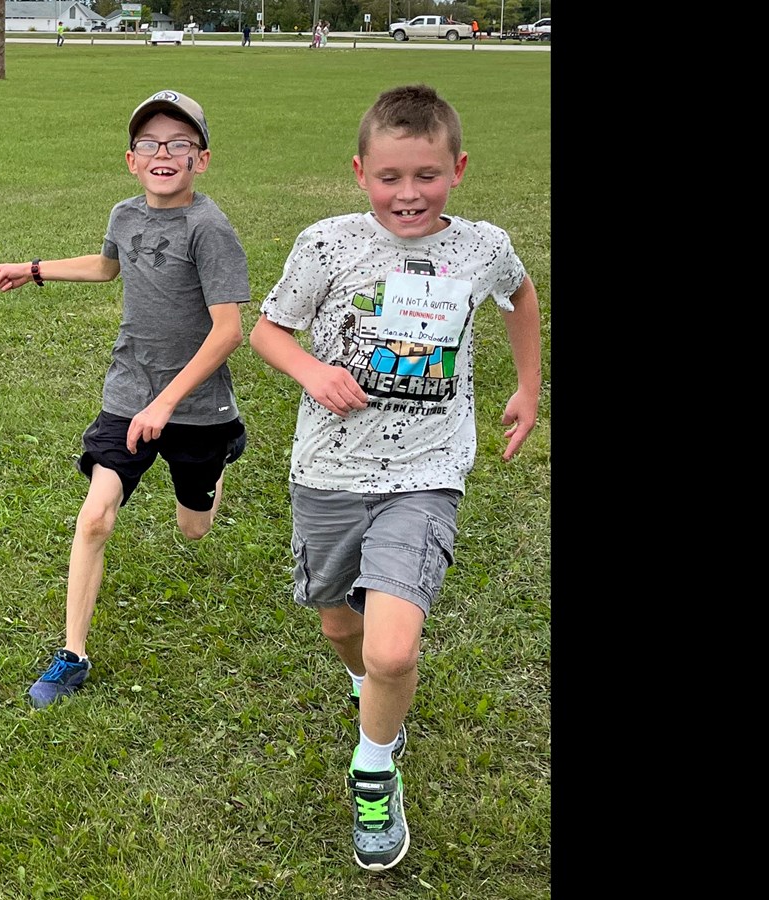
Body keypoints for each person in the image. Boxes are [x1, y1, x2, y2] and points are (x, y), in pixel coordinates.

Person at [248, 84, 541, 873]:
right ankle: (368, 694)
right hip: (330, 474)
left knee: (392, 649)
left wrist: (528, 384)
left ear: (458, 168)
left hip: (427, 472)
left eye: (426, 175)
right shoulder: (326, 246)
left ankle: (373, 771)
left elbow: (519, 294)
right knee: (342, 627)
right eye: (389, 178)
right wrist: (312, 370)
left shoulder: (480, 246)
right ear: (359, 172)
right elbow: (268, 331)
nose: (408, 194)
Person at [0, 90, 251, 710]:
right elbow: (107, 268)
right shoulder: (125, 214)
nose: (163, 153)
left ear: (201, 160)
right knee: (95, 515)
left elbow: (229, 331)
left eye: (180, 143)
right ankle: (73, 654)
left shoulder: (210, 228)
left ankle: (219, 458)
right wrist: (34, 267)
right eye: (150, 143)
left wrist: (168, 404)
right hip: (129, 391)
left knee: (194, 529)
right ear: (131, 159)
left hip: (197, 407)